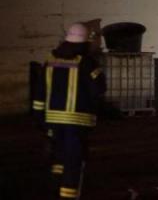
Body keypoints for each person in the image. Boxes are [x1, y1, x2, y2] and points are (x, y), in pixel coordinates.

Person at [32, 23, 105, 199]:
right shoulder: (87, 63)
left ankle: (53, 192)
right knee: (73, 162)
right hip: (77, 123)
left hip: (52, 122)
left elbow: (39, 94)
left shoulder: (49, 61)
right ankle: (69, 196)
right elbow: (99, 89)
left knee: (58, 161)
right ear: (84, 42)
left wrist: (41, 121)